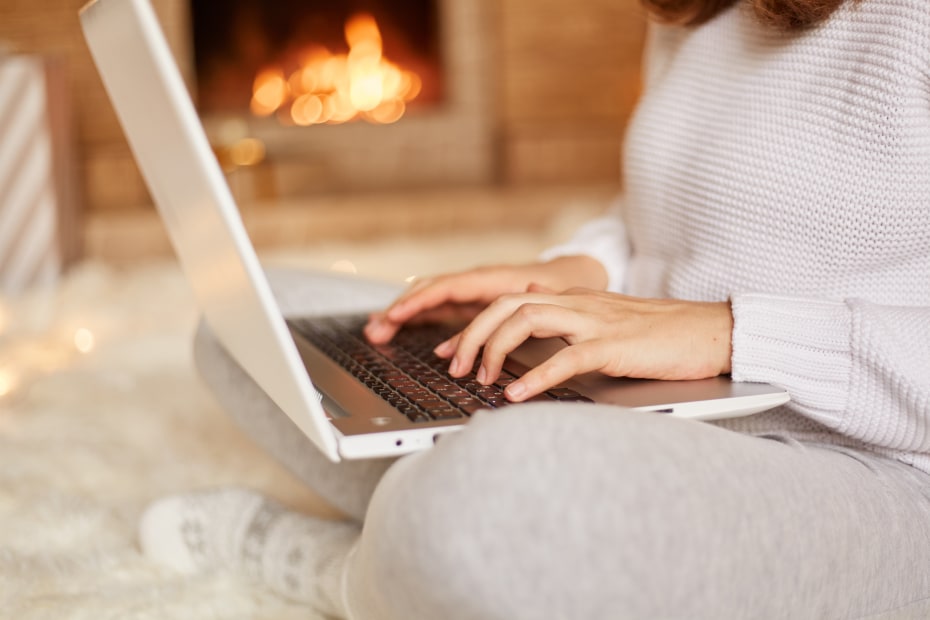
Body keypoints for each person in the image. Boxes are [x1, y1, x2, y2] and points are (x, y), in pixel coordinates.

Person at [138, 0, 930, 617]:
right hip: (662, 394)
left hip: (875, 461)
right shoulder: (705, 10)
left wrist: (730, 332)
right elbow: (689, 207)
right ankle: (446, 552)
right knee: (263, 327)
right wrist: (577, 269)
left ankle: (350, 574)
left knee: (488, 498)